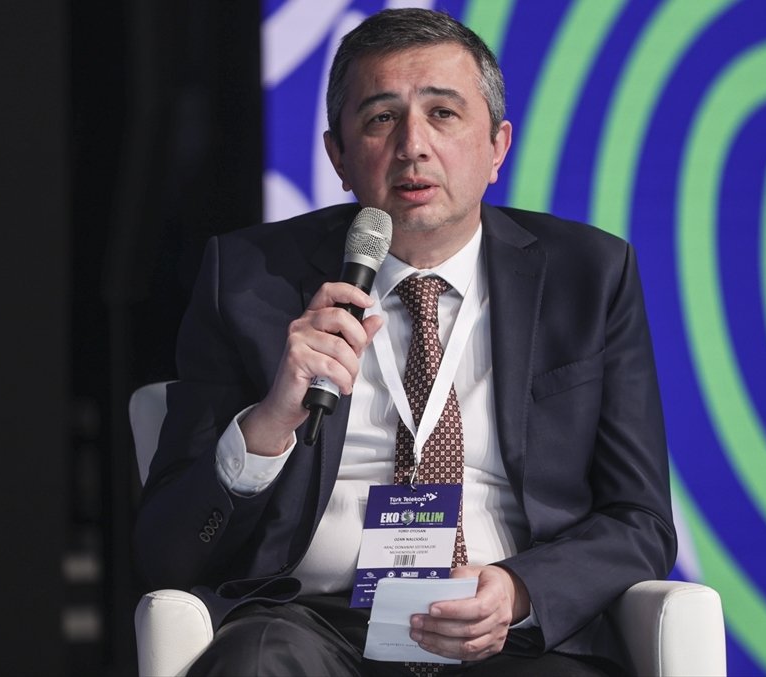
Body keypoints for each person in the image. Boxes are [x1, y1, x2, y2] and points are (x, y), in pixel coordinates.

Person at [134, 8, 675, 675]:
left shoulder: (589, 276)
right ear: (338, 156)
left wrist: (521, 589)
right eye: (381, 118)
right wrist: (269, 422)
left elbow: (640, 518)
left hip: (510, 632)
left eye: (443, 114)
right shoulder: (247, 281)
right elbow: (166, 551)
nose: (412, 145)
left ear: (497, 146)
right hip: (315, 623)